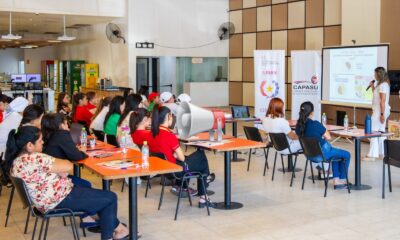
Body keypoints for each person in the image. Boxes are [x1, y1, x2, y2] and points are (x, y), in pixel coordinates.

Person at [5, 126, 129, 240]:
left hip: (47, 200)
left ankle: (118, 229)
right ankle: (112, 234)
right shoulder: (35, 158)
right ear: (29, 145)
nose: (43, 142)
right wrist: (58, 168)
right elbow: (68, 165)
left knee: (97, 195)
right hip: (58, 199)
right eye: (40, 140)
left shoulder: (17, 161)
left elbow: (47, 172)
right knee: (110, 197)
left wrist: (56, 170)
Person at [149, 105, 215, 207]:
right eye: (172, 116)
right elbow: (182, 158)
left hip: (165, 170)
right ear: (168, 117)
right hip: (176, 170)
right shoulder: (169, 135)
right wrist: (175, 155)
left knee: (196, 160)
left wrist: (174, 154)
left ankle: (201, 189)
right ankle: (204, 193)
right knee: (201, 156)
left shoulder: (152, 133)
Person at [295, 101, 351, 189]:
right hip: (323, 154)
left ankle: (337, 180)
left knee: (336, 154)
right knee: (347, 154)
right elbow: (328, 137)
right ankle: (343, 179)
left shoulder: (298, 126)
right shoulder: (315, 124)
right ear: (312, 113)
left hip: (310, 155)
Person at [363, 67, 391, 161]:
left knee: (372, 131)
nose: (374, 75)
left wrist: (382, 114)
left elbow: (382, 101)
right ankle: (381, 153)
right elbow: (377, 97)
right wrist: (372, 87)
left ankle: (372, 155)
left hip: (380, 111)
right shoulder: (381, 85)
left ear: (379, 74)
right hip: (379, 111)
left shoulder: (383, 85)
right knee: (380, 132)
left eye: (375, 74)